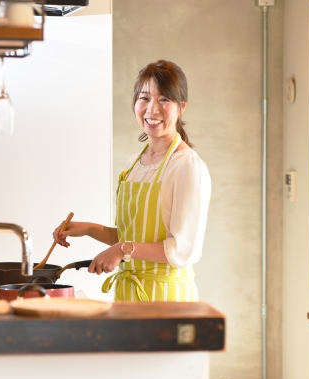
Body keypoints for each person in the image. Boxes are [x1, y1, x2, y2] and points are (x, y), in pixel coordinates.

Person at [53, 59, 211, 302]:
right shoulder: (134, 164)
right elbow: (133, 236)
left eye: (164, 99)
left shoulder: (187, 166)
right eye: (144, 98)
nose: (152, 109)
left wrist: (123, 250)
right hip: (128, 297)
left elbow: (183, 250)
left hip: (167, 302)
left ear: (181, 107)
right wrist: (88, 229)